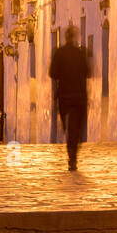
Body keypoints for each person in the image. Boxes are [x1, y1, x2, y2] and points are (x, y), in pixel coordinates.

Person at [48, 25, 91, 171]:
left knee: (68, 128)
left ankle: (71, 156)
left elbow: (53, 73)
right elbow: (87, 72)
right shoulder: (80, 53)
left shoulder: (59, 53)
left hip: (65, 97)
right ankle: (73, 157)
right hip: (79, 96)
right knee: (76, 129)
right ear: (74, 38)